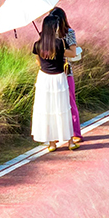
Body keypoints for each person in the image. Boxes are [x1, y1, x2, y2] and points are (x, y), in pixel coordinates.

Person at [31, 15, 77, 152]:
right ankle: (70, 142)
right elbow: (71, 54)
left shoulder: (37, 45)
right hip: (58, 78)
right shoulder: (59, 43)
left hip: (44, 78)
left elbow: (38, 62)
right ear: (53, 28)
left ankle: (51, 143)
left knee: (47, 109)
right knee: (63, 107)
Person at [49, 6, 82, 146]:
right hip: (51, 72)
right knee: (54, 104)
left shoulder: (69, 32)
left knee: (70, 102)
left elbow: (73, 53)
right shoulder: (46, 34)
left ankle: (76, 133)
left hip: (65, 70)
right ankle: (56, 134)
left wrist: (58, 48)